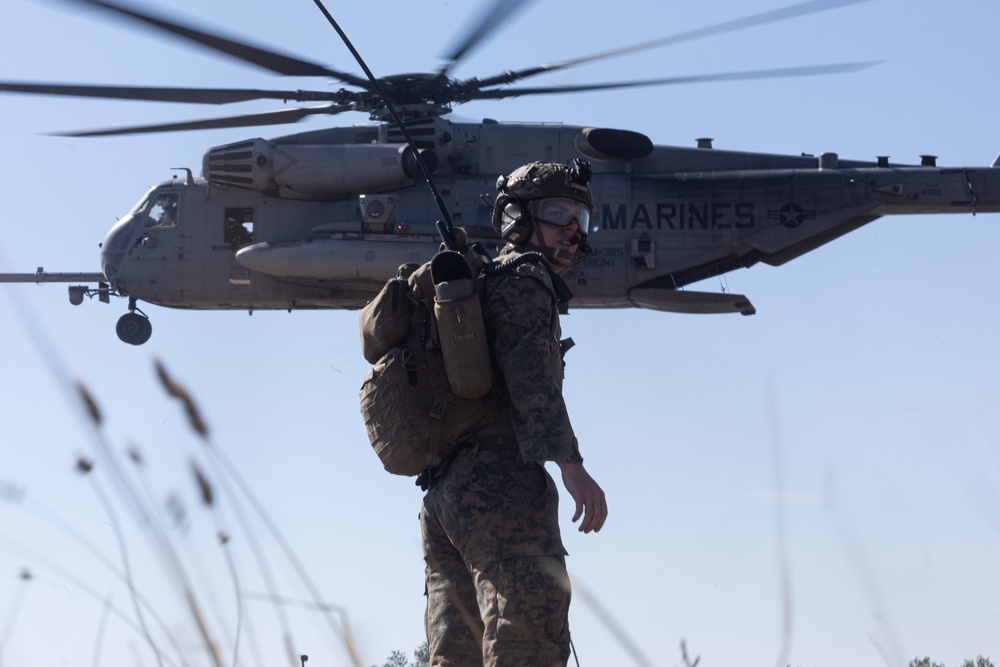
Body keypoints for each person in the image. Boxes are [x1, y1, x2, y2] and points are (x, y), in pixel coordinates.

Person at [419, 160, 608, 666]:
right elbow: (530, 375)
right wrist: (572, 466)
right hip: (501, 486)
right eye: (558, 213)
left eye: (579, 220)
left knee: (456, 652)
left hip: (445, 495)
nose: (572, 230)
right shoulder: (525, 278)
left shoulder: (485, 281)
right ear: (517, 220)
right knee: (529, 634)